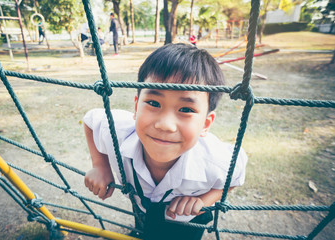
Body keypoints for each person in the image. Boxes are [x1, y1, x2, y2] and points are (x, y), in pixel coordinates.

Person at [83, 43, 247, 240]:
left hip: (187, 221)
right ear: (136, 107)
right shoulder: (118, 130)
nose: (165, 125)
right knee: (144, 230)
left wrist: (203, 200)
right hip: (142, 207)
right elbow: (91, 120)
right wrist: (100, 166)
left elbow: (236, 175)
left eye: (186, 110)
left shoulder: (215, 160)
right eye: (153, 103)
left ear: (206, 123)